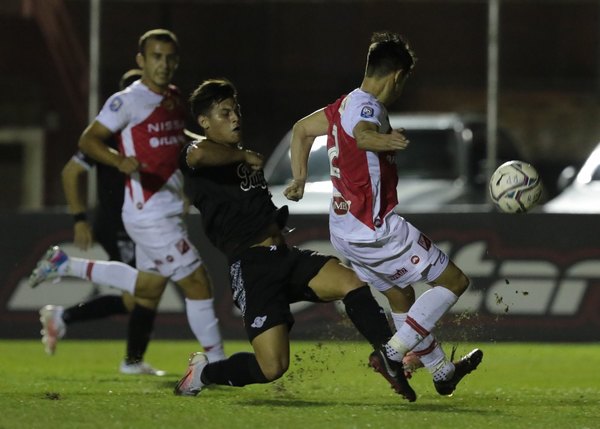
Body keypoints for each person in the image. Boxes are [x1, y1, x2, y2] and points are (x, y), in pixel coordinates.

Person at [172, 78, 415, 400]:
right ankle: (204, 372)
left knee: (352, 283)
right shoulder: (199, 157)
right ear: (204, 122)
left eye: (236, 110)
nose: (235, 117)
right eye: (225, 112)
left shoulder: (236, 154)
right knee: (271, 368)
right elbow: (197, 154)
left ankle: (389, 357)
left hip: (283, 256)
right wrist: (243, 157)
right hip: (251, 267)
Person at [283, 31, 483, 400]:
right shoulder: (368, 106)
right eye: (404, 82)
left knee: (400, 297)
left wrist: (298, 179)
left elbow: (300, 131)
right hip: (375, 227)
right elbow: (362, 134)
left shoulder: (341, 105)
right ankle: (391, 354)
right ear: (397, 76)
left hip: (345, 229)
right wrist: (383, 139)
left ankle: (442, 371)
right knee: (455, 282)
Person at [29, 29, 226, 365]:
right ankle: (218, 364)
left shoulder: (175, 98)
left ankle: (66, 265)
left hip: (165, 207)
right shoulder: (126, 103)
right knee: (197, 282)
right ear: (141, 60)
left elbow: (179, 139)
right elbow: (87, 144)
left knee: (146, 289)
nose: (163, 64)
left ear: (176, 61)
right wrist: (118, 161)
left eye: (168, 58)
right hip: (145, 212)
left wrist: (213, 148)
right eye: (155, 57)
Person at [35, 69, 167, 376]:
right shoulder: (106, 137)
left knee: (141, 294)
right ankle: (130, 361)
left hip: (140, 221)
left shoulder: (149, 134)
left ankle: (64, 318)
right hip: (117, 224)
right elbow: (70, 173)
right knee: (143, 292)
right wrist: (80, 219)